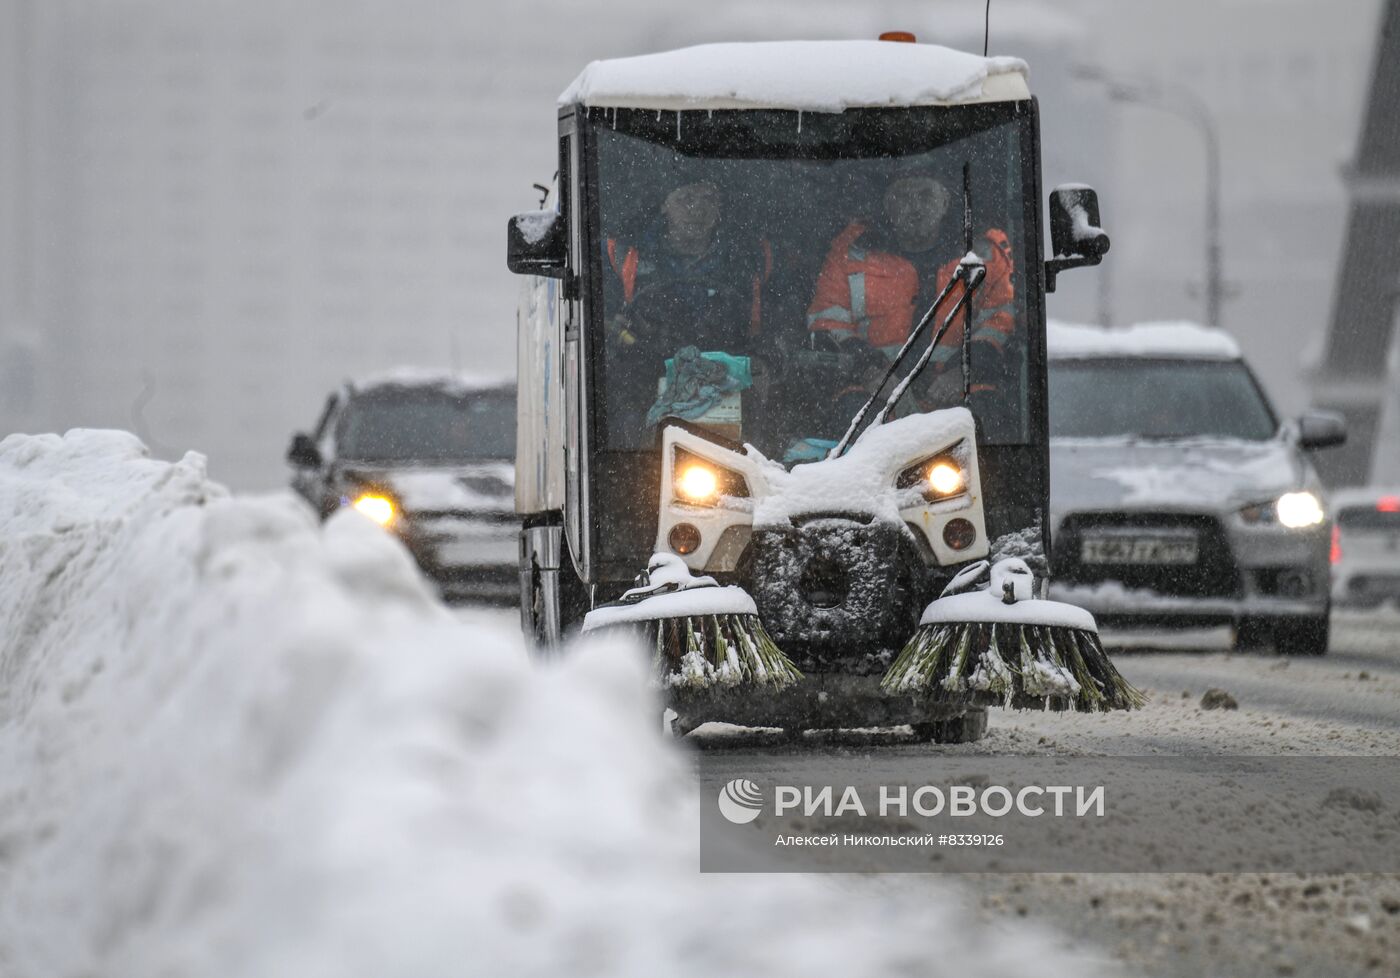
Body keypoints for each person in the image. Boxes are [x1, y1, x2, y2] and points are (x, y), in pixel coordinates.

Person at [805, 170, 1018, 420]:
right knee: (850, 419)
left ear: (945, 202)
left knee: (987, 421)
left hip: (959, 393)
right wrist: (869, 371)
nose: (915, 207)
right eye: (904, 197)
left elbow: (1003, 322)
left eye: (926, 196)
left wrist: (963, 371)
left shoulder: (987, 254)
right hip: (872, 394)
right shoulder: (851, 251)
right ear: (888, 205)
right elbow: (827, 321)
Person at [604, 180, 774, 356]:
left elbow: (781, 331)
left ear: (719, 207)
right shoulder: (624, 253)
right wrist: (616, 331)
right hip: (646, 371)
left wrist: (764, 365)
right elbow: (598, 324)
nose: (698, 210)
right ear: (664, 204)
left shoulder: (752, 256)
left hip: (733, 372)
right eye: (686, 198)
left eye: (708, 199)